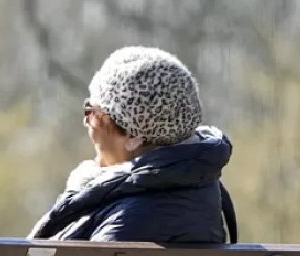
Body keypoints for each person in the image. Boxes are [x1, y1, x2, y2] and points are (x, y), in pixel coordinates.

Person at [29, 46, 237, 244]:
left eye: (93, 113)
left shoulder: (128, 220)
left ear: (133, 137)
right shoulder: (200, 191)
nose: (86, 121)